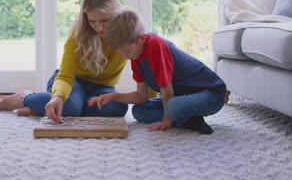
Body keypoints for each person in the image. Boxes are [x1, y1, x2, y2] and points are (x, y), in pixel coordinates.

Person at [0, 0, 128, 122]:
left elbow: (144, 59)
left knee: (116, 107)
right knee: (70, 108)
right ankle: (24, 98)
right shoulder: (78, 32)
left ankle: (43, 108)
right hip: (73, 82)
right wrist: (58, 97)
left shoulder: (129, 23)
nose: (99, 27)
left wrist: (150, 102)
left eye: (105, 20)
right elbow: (66, 76)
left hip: (103, 87)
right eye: (92, 21)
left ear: (116, 13)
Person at [88, 8, 226, 134]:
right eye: (121, 53)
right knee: (139, 111)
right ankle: (189, 121)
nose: (125, 56)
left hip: (211, 94)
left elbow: (167, 91)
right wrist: (114, 96)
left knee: (172, 106)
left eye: (127, 51)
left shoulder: (155, 45)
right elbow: (142, 96)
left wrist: (167, 121)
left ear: (141, 38)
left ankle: (179, 118)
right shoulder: (135, 55)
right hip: (181, 96)